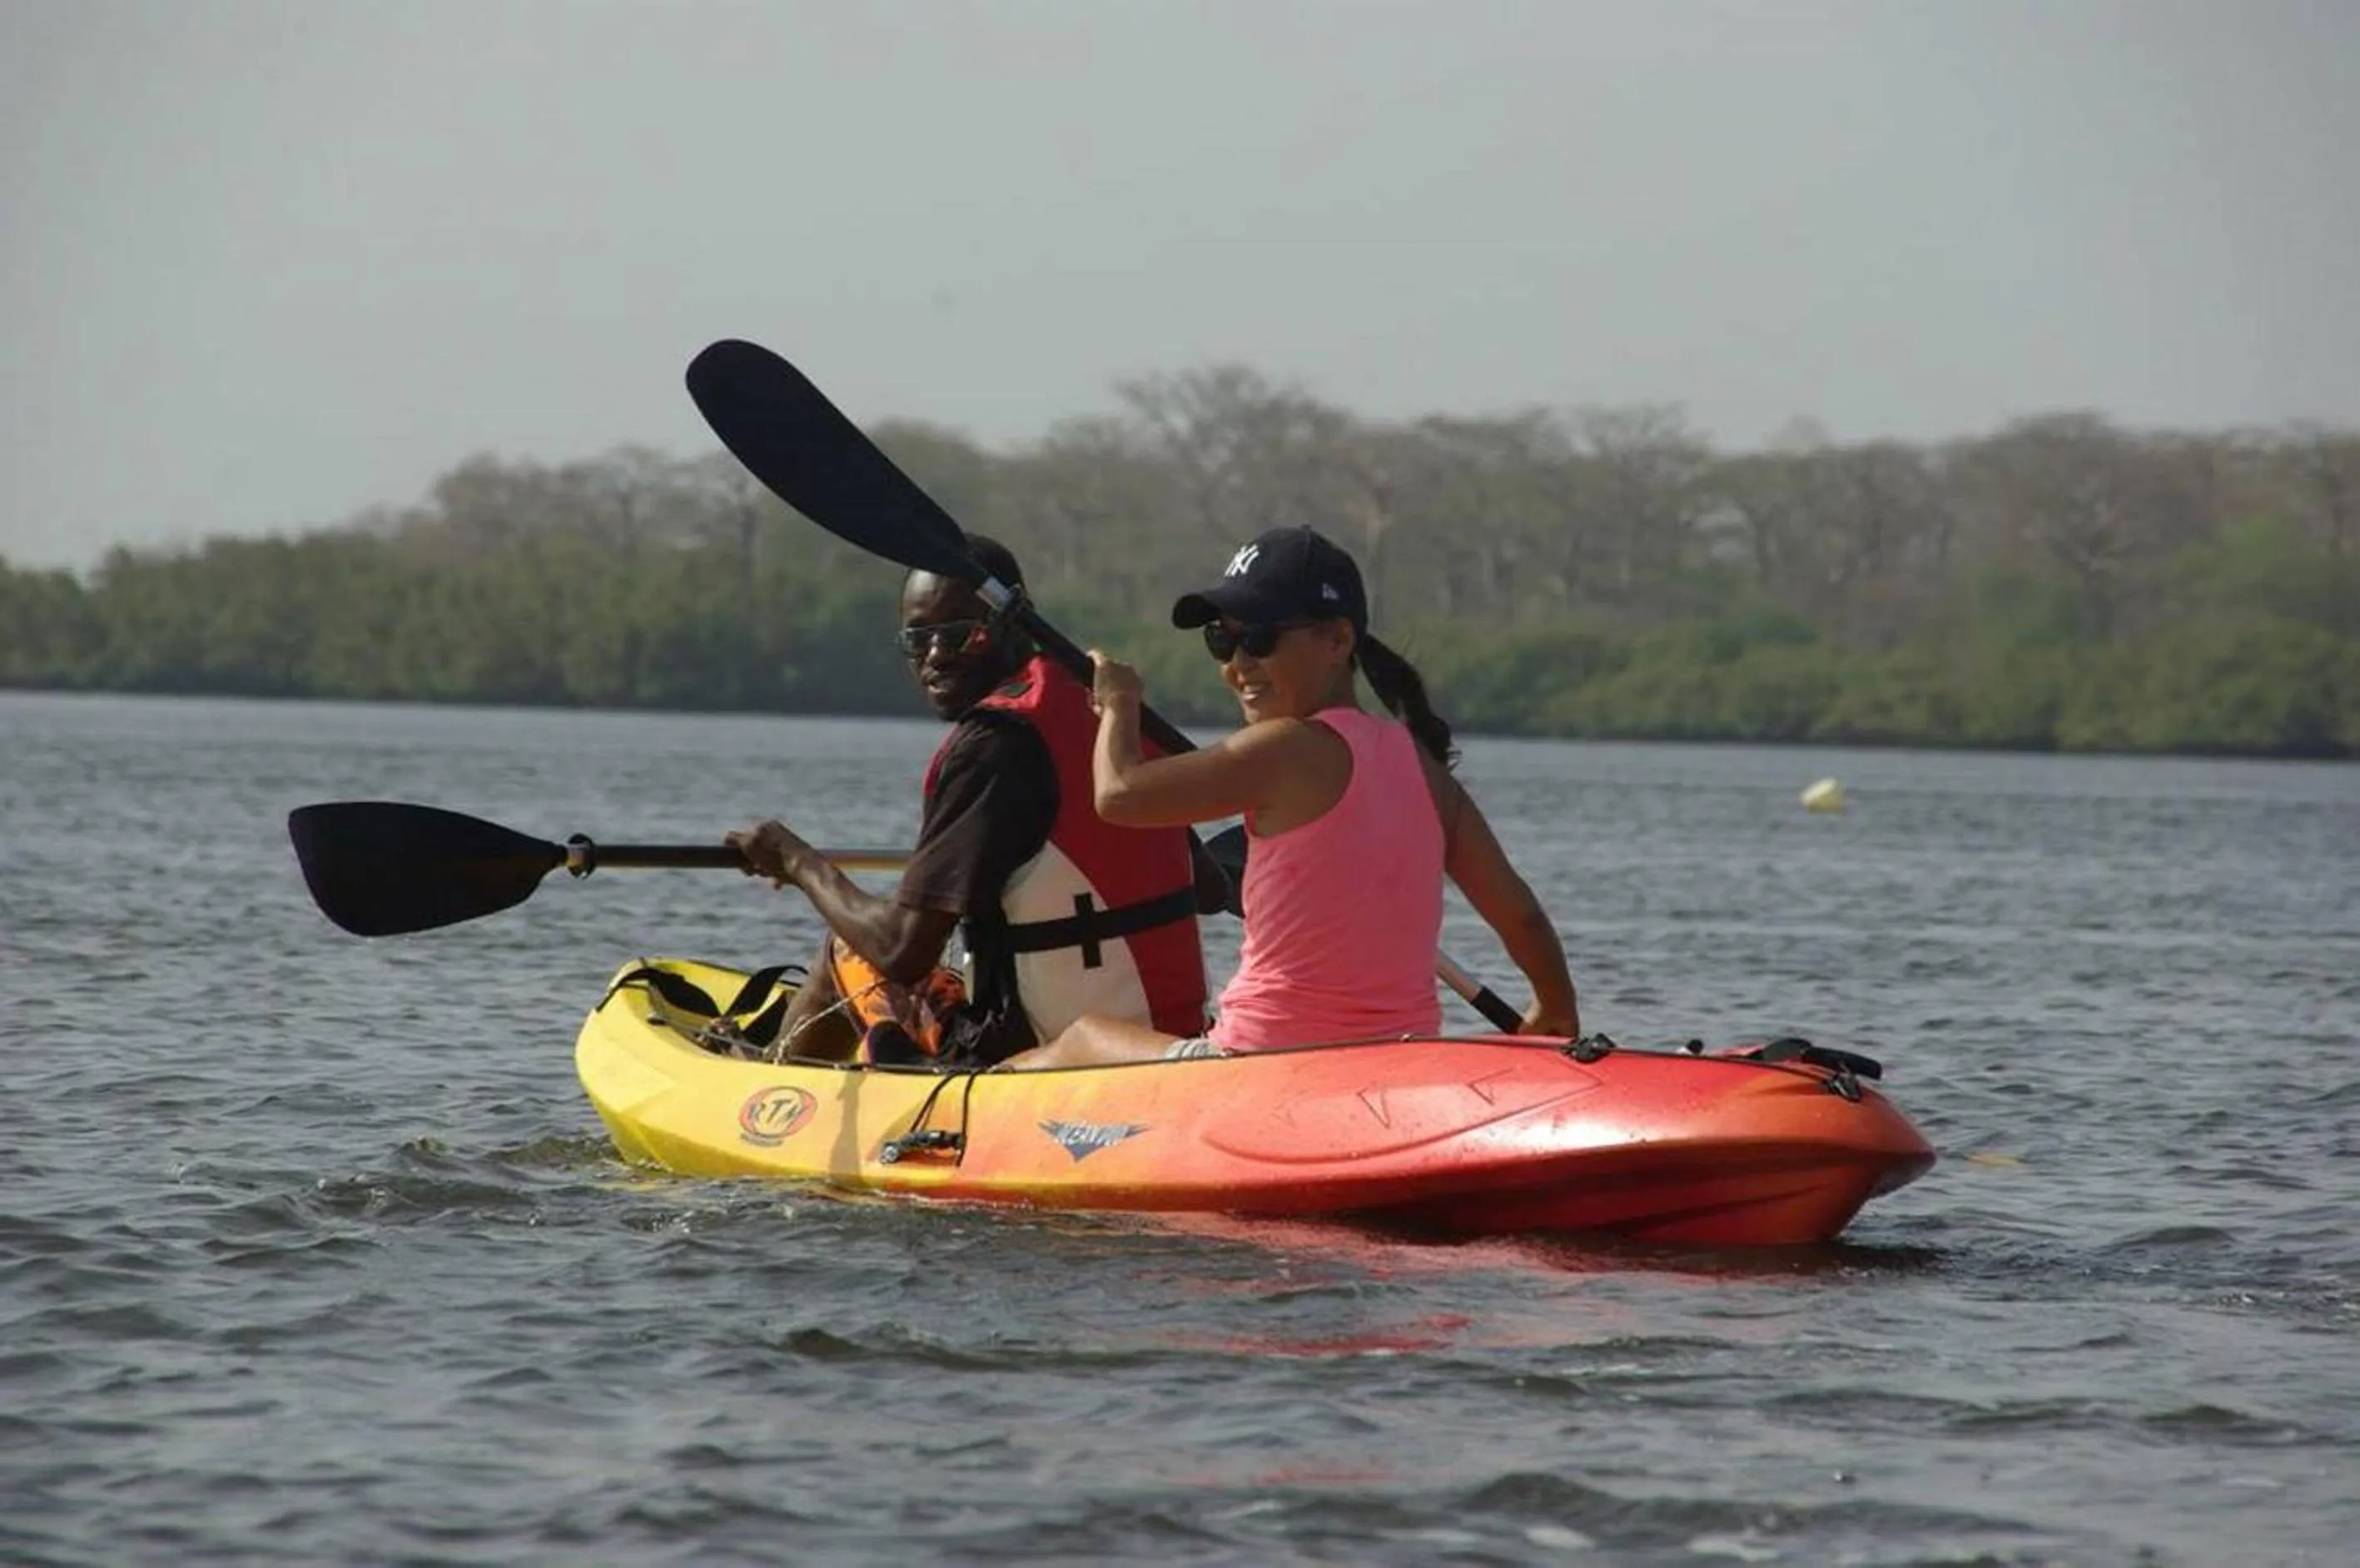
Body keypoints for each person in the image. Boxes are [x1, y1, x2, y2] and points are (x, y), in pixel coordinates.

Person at [1005, 525, 1578, 1069]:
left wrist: (1119, 705)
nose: (1238, 664)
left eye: (1259, 638)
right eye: (1222, 640)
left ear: (1338, 640)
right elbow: (1522, 918)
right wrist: (1553, 1011)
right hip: (1396, 1061)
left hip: (1255, 1062)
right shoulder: (1426, 772)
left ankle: (962, 1101)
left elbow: (1120, 794)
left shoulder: (1284, 748)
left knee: (1085, 1037)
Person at [726, 536, 1225, 1066]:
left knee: (848, 949)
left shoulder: (992, 745)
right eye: (918, 639)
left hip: (1034, 1053)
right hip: (1169, 1041)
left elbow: (901, 950)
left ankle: (768, 1093)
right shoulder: (1113, 713)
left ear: (1014, 623)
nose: (936, 657)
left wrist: (795, 860)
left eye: (960, 635)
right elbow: (1212, 888)